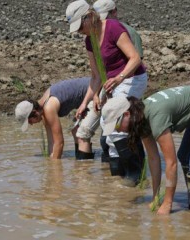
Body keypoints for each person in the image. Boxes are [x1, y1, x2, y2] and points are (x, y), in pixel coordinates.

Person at [101, 85, 190, 214]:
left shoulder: (155, 116)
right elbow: (154, 159)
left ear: (126, 114)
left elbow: (170, 162)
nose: (119, 130)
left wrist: (167, 203)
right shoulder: (140, 119)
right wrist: (156, 198)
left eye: (117, 125)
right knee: (184, 156)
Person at [65, 0, 148, 184]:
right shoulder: (89, 41)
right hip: (110, 84)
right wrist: (93, 96)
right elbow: (96, 76)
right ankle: (117, 179)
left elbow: (135, 59)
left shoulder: (112, 28)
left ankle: (136, 175)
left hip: (131, 78)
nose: (79, 32)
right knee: (106, 127)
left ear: (89, 17)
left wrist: (119, 77)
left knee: (116, 126)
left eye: (80, 26)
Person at [14, 77, 93, 160]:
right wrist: (50, 162)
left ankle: (84, 169)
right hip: (85, 98)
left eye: (29, 121)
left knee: (82, 135)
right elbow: (51, 142)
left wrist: (55, 168)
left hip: (94, 90)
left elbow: (59, 143)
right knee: (75, 130)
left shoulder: (48, 108)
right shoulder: (43, 110)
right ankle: (80, 164)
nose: (31, 124)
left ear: (35, 112)